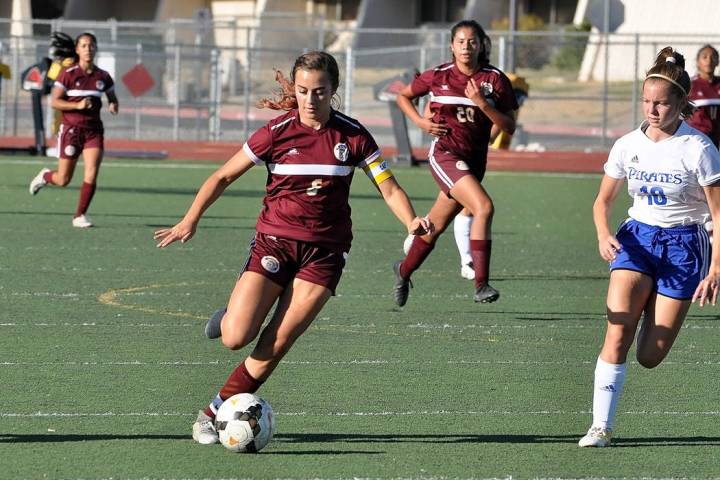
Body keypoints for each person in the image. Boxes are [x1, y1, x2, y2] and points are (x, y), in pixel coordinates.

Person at [153, 51, 432, 445]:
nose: (310, 99)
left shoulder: (353, 135)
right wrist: (190, 219)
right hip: (275, 243)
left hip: (326, 253)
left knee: (277, 341)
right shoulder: (276, 132)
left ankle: (212, 411)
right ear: (295, 90)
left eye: (319, 91)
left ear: (333, 91)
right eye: (303, 91)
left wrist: (411, 221)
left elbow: (388, 186)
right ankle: (231, 315)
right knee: (235, 337)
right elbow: (223, 175)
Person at [579, 46, 720, 448]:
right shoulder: (627, 144)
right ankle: (600, 428)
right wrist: (604, 233)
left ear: (681, 103)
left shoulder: (700, 149)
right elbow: (601, 201)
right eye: (646, 101)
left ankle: (654, 309)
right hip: (637, 239)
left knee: (649, 356)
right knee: (617, 327)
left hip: (685, 246)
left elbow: (718, 215)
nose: (652, 110)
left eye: (661, 103)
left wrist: (715, 269)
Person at [392, 19, 518, 305]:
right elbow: (403, 96)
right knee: (483, 207)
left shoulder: (495, 80)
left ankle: (403, 270)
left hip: (475, 161)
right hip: (445, 155)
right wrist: (421, 123)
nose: (466, 46)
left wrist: (484, 104)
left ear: (481, 45)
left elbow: (509, 126)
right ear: (452, 46)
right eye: (460, 41)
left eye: (472, 41)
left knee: (435, 224)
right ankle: (481, 284)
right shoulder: (439, 75)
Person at [28, 32, 118, 228]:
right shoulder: (68, 74)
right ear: (77, 49)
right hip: (71, 131)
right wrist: (77, 106)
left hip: (93, 132)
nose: (88, 49)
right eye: (84, 45)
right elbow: (55, 101)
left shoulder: (103, 76)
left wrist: (113, 105)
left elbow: (112, 97)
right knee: (63, 179)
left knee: (91, 172)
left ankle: (80, 215)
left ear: (95, 48)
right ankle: (45, 176)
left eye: (91, 45)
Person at [686, 44, 720, 149]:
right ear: (697, 61)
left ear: (717, 61)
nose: (709, 61)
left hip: (716, 139)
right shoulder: (690, 85)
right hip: (696, 138)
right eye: (704, 57)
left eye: (713, 57)